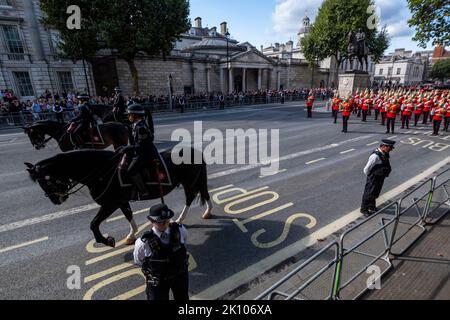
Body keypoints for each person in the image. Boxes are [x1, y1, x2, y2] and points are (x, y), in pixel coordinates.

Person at [133, 204, 190, 301]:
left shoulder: (180, 230)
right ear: (152, 221)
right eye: (160, 222)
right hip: (158, 281)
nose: (165, 224)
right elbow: (138, 260)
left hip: (179, 275)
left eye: (167, 221)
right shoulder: (143, 243)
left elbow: (184, 243)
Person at [121, 104, 157, 199]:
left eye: (129, 115)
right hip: (140, 151)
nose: (128, 117)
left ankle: (143, 190)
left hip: (145, 154)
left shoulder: (141, 128)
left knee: (131, 171)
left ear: (135, 116)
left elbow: (142, 146)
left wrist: (128, 148)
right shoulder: (136, 125)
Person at [360, 140, 395, 217]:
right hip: (373, 177)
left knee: (375, 192)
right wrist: (370, 176)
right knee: (369, 193)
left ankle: (371, 206)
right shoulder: (375, 156)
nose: (391, 149)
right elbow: (366, 169)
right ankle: (364, 209)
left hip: (379, 177)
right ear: (383, 146)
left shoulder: (384, 153)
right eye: (389, 148)